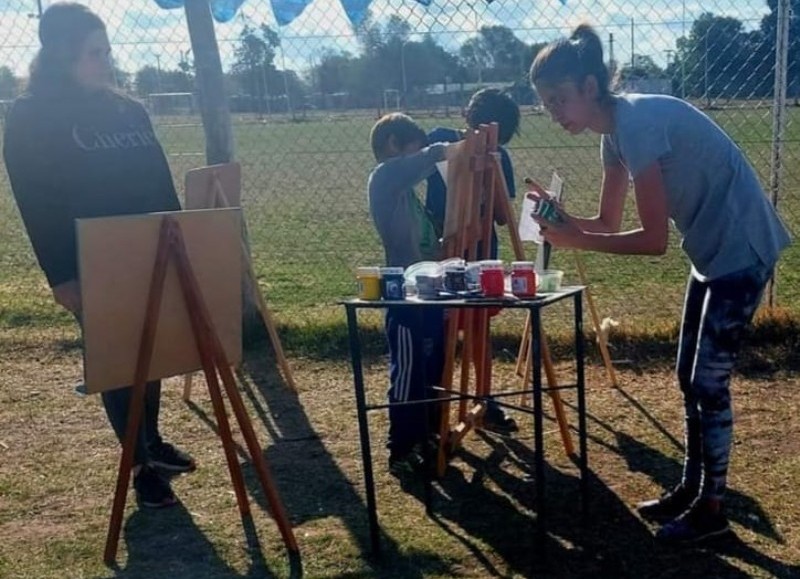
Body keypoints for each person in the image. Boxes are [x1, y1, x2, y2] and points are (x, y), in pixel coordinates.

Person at [528, 23, 791, 544]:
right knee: (686, 375)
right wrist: (564, 222)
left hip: (742, 249)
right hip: (711, 254)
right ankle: (694, 488)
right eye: (545, 104)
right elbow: (604, 222)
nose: (555, 113)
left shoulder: (638, 122)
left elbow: (652, 241)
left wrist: (574, 241)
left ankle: (712, 510)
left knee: (707, 382)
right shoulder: (613, 134)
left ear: (589, 87)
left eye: (560, 99)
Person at [3, 2, 195, 509]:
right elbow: (35, 202)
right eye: (95, 52)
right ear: (63, 54)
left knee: (151, 352)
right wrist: (62, 275)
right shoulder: (31, 118)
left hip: (150, 255)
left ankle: (150, 440)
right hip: (92, 263)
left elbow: (160, 183)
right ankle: (139, 465)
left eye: (107, 50)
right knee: (118, 361)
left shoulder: (127, 110)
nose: (105, 61)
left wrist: (179, 245)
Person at [368, 113, 461, 475]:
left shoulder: (407, 196)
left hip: (429, 293)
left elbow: (425, 243)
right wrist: (455, 150)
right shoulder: (386, 177)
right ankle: (401, 446)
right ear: (393, 145)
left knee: (432, 364)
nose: (421, 159)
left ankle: (426, 434)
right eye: (414, 149)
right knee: (407, 371)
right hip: (404, 298)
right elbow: (428, 157)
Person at [425, 87, 522, 434]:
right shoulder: (441, 141)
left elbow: (500, 217)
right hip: (444, 251)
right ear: (470, 118)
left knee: (480, 325)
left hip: (482, 254)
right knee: (444, 327)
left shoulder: (501, 157)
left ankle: (486, 399)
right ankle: (436, 407)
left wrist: (490, 170)